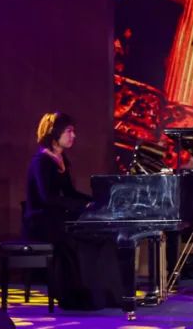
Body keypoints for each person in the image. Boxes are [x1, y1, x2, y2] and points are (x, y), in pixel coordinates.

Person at [24, 112, 121, 309]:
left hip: (58, 218)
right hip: (41, 222)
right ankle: (74, 295)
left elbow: (69, 192)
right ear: (55, 132)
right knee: (75, 241)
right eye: (69, 131)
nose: (73, 136)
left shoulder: (61, 159)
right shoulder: (41, 161)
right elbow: (47, 197)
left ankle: (104, 294)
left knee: (100, 237)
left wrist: (95, 202)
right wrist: (81, 206)